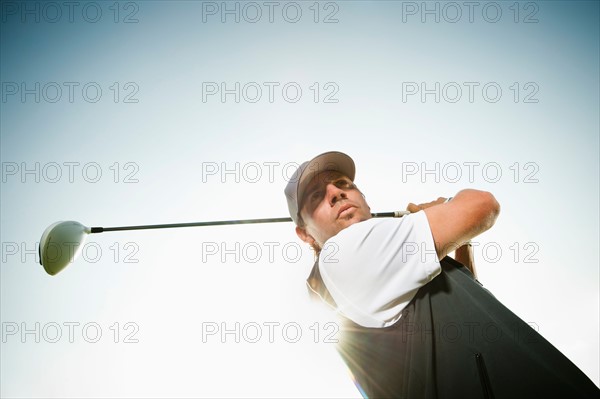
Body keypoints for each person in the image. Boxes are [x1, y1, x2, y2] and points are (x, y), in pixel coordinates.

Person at [284, 151, 599, 398]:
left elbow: (461, 304)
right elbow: (481, 205)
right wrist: (445, 206)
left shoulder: (377, 267)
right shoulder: (348, 250)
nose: (336, 194)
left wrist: (456, 242)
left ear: (366, 199)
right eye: (316, 196)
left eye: (343, 184)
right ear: (306, 235)